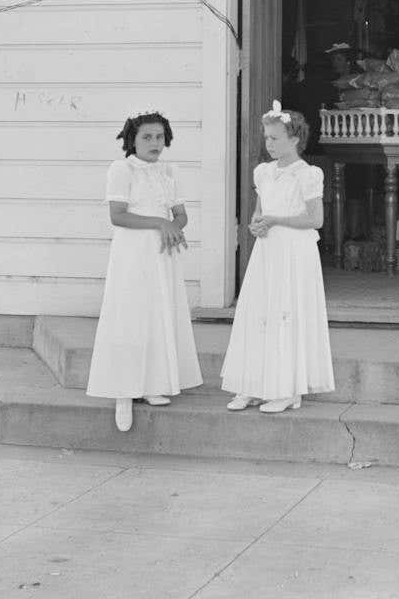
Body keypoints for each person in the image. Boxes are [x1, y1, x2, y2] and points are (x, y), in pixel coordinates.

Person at [86, 110, 202, 433]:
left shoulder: (169, 170)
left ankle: (151, 382)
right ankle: (124, 391)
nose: (154, 143)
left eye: (159, 137)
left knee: (157, 314)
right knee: (130, 314)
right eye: (147, 137)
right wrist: (160, 223)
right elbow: (118, 215)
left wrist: (173, 227)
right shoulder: (122, 169)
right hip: (132, 253)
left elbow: (180, 215)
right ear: (132, 140)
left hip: (162, 254)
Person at [221, 102, 335, 413]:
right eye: (266, 137)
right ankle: (256, 384)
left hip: (294, 251)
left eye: (274, 138)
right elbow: (261, 210)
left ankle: (287, 389)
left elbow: (315, 219)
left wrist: (275, 220)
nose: (268, 144)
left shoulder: (308, 174)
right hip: (268, 250)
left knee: (286, 311)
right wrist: (257, 223)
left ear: (294, 139)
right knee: (260, 312)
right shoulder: (263, 172)